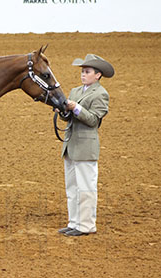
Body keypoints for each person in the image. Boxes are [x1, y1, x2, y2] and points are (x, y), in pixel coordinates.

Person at [58, 54, 114, 236]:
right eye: (82, 71)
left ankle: (87, 225)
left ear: (97, 75)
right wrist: (63, 111)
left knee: (86, 188)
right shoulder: (75, 91)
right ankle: (74, 222)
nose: (83, 74)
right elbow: (69, 117)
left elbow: (93, 120)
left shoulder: (101, 94)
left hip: (85, 147)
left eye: (87, 71)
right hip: (71, 145)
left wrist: (76, 108)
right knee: (72, 188)